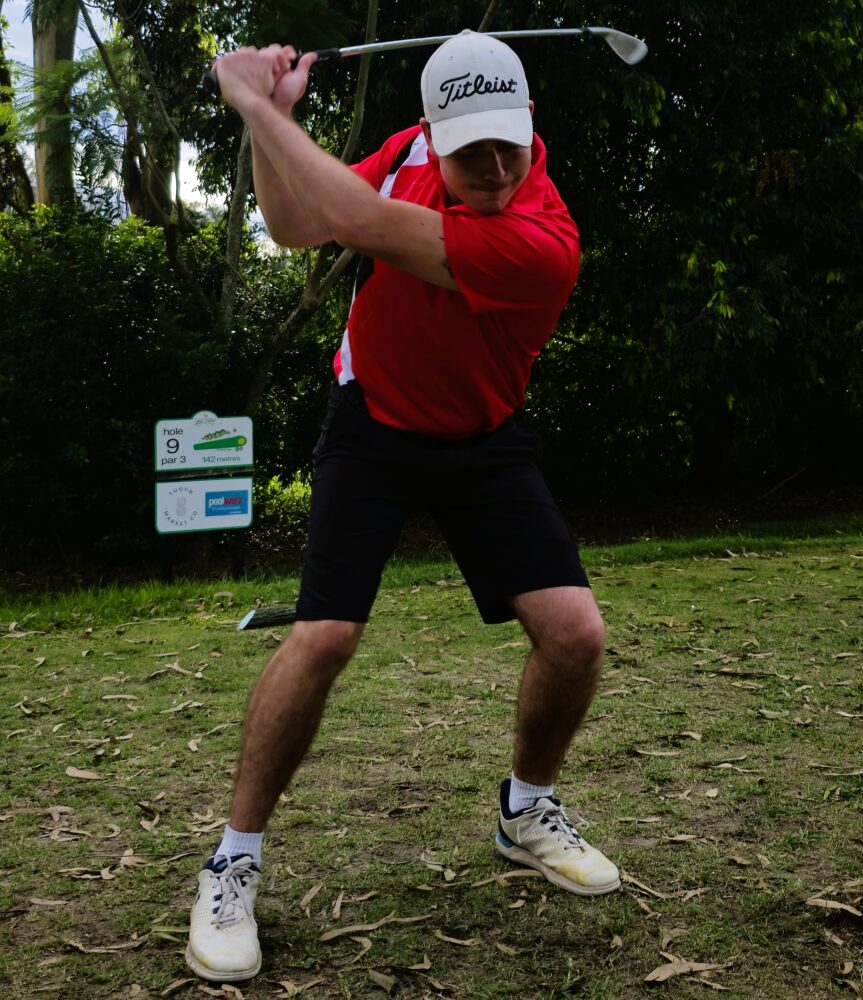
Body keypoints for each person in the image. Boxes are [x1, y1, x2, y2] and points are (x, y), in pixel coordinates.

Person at [186, 30, 620, 984]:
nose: (496, 169)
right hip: (373, 420)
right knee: (324, 635)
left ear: (530, 125)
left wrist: (253, 104)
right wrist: (281, 123)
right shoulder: (407, 153)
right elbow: (298, 226)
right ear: (433, 133)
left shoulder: (543, 242)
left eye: (510, 143)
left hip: (483, 438)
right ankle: (233, 863)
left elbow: (358, 221)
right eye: (472, 151)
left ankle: (525, 811)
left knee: (576, 635)